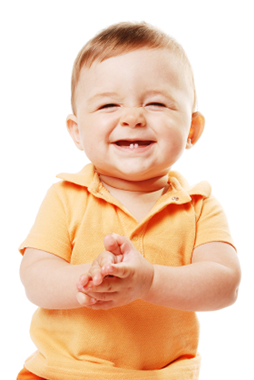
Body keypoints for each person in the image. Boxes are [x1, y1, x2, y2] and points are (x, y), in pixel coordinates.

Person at [17, 22, 241, 380]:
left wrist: (149, 281)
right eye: (108, 104)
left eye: (156, 103)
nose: (133, 118)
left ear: (192, 131)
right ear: (77, 131)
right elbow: (34, 278)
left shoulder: (199, 206)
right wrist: (86, 280)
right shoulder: (65, 197)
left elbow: (224, 284)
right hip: (60, 372)